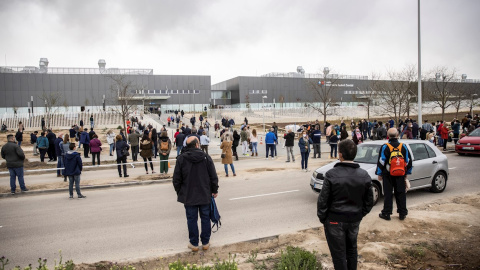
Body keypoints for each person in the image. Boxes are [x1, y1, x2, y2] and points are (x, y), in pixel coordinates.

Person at [317, 139, 374, 270]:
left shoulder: (332, 174)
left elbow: (322, 200)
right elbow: (369, 201)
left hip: (335, 220)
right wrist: (359, 214)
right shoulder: (364, 175)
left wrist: (324, 218)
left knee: (339, 254)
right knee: (352, 250)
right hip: (353, 219)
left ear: (340, 154)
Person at [173, 136, 219, 252]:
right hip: (204, 193)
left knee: (191, 219)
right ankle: (205, 242)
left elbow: (176, 180)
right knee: (205, 218)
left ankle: (194, 243)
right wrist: (214, 190)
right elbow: (213, 176)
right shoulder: (206, 157)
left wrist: (180, 192)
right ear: (197, 145)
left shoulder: (181, 159)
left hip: (189, 195)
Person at [376, 128, 413, 221]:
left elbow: (381, 161)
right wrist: (406, 173)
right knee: (401, 193)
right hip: (400, 174)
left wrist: (379, 173)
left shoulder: (385, 146)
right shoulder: (403, 146)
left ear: (388, 136)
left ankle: (387, 213)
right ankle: (402, 213)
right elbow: (408, 161)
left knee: (388, 194)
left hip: (388, 174)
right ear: (397, 135)